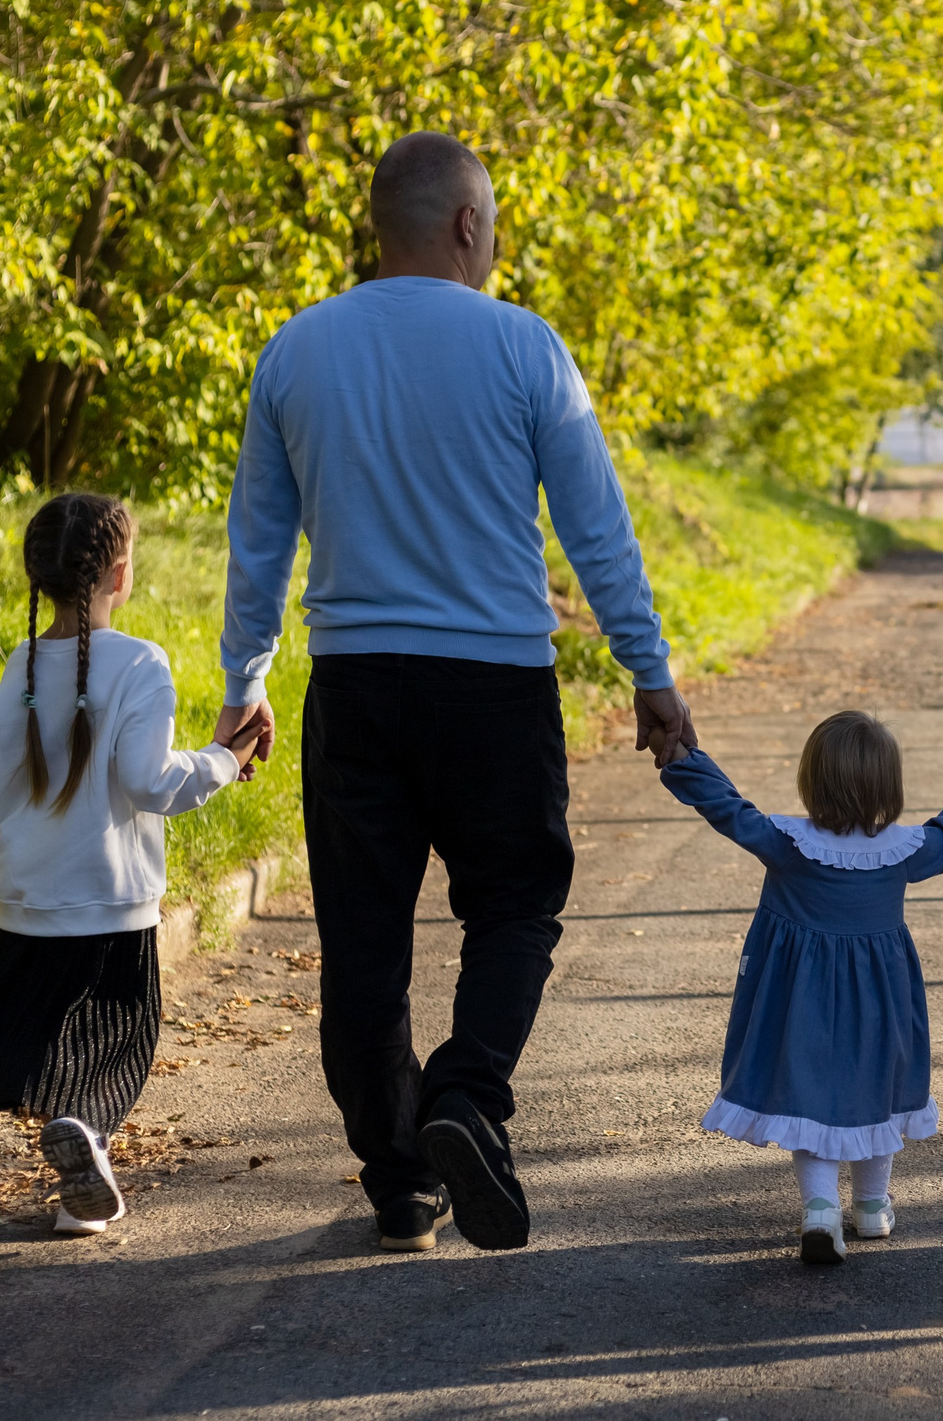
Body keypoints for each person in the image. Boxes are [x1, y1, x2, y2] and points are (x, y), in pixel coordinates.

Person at [217, 132, 696, 1254]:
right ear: (470, 226)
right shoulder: (526, 348)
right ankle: (467, 1101)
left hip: (355, 688)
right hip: (493, 687)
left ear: (378, 226)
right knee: (516, 908)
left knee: (364, 939)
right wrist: (649, 673)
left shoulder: (297, 350)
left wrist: (245, 682)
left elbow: (257, 544)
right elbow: (597, 533)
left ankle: (399, 1180)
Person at [0, 493, 257, 1236]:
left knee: (47, 1040)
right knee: (116, 1040)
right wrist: (224, 759)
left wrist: (3, 880)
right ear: (120, 573)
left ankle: (79, 1177)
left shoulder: (21, 662)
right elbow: (151, 780)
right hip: (112, 902)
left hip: (29, 899)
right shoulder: (141, 662)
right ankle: (85, 1141)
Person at [657, 713, 943, 1263]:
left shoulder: (790, 844)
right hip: (880, 1004)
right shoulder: (903, 851)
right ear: (888, 787)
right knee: (877, 1091)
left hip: (802, 1003)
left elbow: (728, 810)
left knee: (810, 1094)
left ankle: (820, 1210)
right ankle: (870, 1207)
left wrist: (683, 760)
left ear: (811, 780)